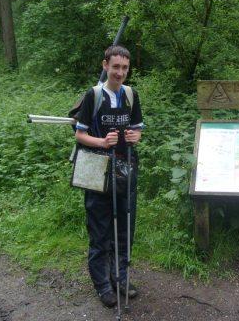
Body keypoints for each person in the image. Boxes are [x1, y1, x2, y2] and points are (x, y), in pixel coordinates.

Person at [75, 45, 143, 308]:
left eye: (125, 68)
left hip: (125, 169)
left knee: (125, 227)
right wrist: (102, 142)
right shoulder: (93, 96)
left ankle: (121, 277)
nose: (120, 73)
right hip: (96, 169)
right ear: (105, 66)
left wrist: (136, 136)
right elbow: (80, 134)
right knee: (100, 229)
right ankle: (102, 284)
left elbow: (137, 129)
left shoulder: (131, 95)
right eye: (115, 67)